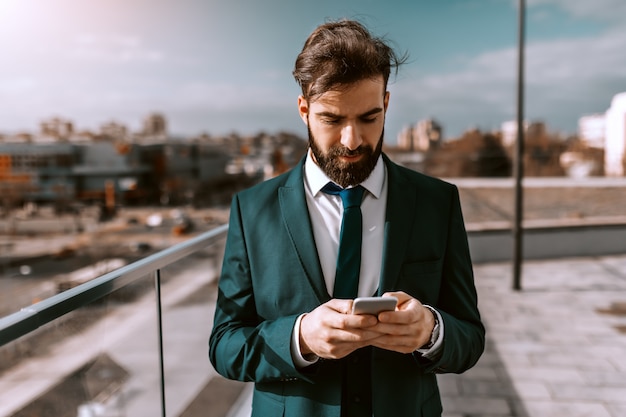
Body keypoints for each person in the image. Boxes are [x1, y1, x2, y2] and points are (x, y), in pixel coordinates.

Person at [209, 19, 485, 417]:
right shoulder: (253, 210)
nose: (352, 140)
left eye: (369, 118)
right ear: (304, 110)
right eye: (333, 120)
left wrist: (431, 330)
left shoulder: (436, 202)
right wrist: (299, 337)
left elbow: (470, 339)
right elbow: (224, 345)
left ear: (387, 104)